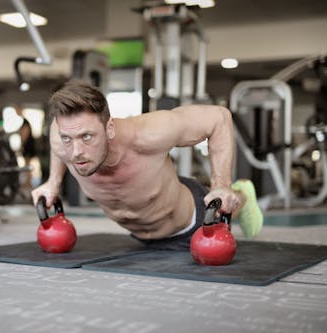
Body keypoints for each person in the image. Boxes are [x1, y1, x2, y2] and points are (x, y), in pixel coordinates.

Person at [31, 80, 263, 250]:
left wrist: (221, 185)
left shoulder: (147, 134)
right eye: (67, 139)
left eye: (87, 137)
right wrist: (53, 183)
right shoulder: (61, 135)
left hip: (192, 222)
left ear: (109, 128)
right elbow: (59, 147)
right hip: (140, 237)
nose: (76, 152)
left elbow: (219, 117)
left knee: (227, 203)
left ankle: (244, 194)